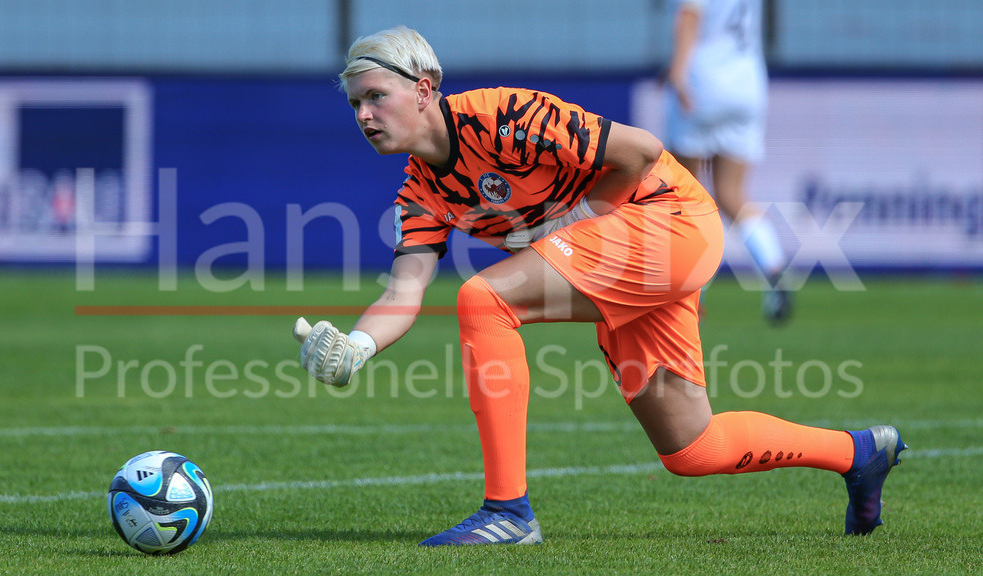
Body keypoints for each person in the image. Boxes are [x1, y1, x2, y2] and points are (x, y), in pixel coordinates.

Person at [296, 25, 905, 546]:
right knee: (693, 449)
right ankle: (857, 453)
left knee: (484, 297)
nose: (364, 116)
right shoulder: (419, 192)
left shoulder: (502, 115)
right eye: (356, 105)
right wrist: (357, 347)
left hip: (670, 222)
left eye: (376, 97)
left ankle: (507, 512)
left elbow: (642, 151)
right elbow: (404, 291)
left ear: (425, 89)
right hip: (625, 257)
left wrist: (573, 222)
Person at [663, 0, 792, 324]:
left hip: (702, 82)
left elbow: (690, 17)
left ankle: (693, 294)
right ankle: (774, 269)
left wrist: (677, 73)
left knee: (683, 195)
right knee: (732, 194)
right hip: (747, 85)